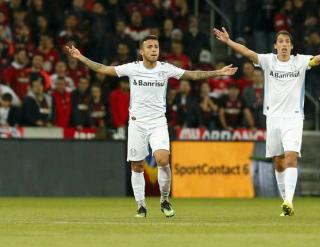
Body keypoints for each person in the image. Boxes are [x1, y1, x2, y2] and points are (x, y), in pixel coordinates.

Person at [65, 35, 237, 218]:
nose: (154, 49)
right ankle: (141, 206)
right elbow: (103, 69)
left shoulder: (165, 69)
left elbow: (192, 74)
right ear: (142, 51)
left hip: (158, 122)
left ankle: (164, 200)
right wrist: (80, 57)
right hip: (137, 123)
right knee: (137, 166)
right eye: (150, 47)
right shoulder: (133, 68)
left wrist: (218, 72)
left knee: (163, 160)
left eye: (156, 46)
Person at [214, 27, 320, 216]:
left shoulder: (300, 62)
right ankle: (285, 200)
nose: (284, 45)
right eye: (281, 42)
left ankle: (288, 201)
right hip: (273, 118)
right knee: (278, 162)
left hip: (293, 118)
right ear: (275, 46)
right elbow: (247, 52)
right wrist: (228, 42)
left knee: (291, 157)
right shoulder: (268, 61)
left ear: (292, 46)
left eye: (287, 42)